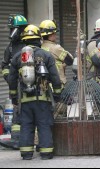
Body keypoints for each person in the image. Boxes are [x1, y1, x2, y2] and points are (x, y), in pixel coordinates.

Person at [8, 24, 62, 160]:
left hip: (25, 100)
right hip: (43, 99)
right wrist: (57, 93)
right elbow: (55, 77)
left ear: (24, 40)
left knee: (26, 126)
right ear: (39, 39)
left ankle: (26, 154)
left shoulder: (16, 57)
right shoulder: (46, 55)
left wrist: (14, 96)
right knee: (44, 124)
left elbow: (12, 79)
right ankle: (46, 153)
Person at [0, 14, 28, 150]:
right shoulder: (11, 47)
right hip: (16, 84)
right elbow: (4, 65)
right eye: (12, 29)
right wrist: (8, 77)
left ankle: (29, 139)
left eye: (16, 29)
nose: (13, 33)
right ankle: (16, 139)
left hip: (30, 83)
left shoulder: (30, 43)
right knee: (17, 110)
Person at [39, 20, 74, 85]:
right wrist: (63, 65)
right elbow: (70, 60)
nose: (55, 35)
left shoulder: (39, 47)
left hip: (43, 85)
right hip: (57, 84)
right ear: (51, 35)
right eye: (54, 33)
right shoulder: (56, 48)